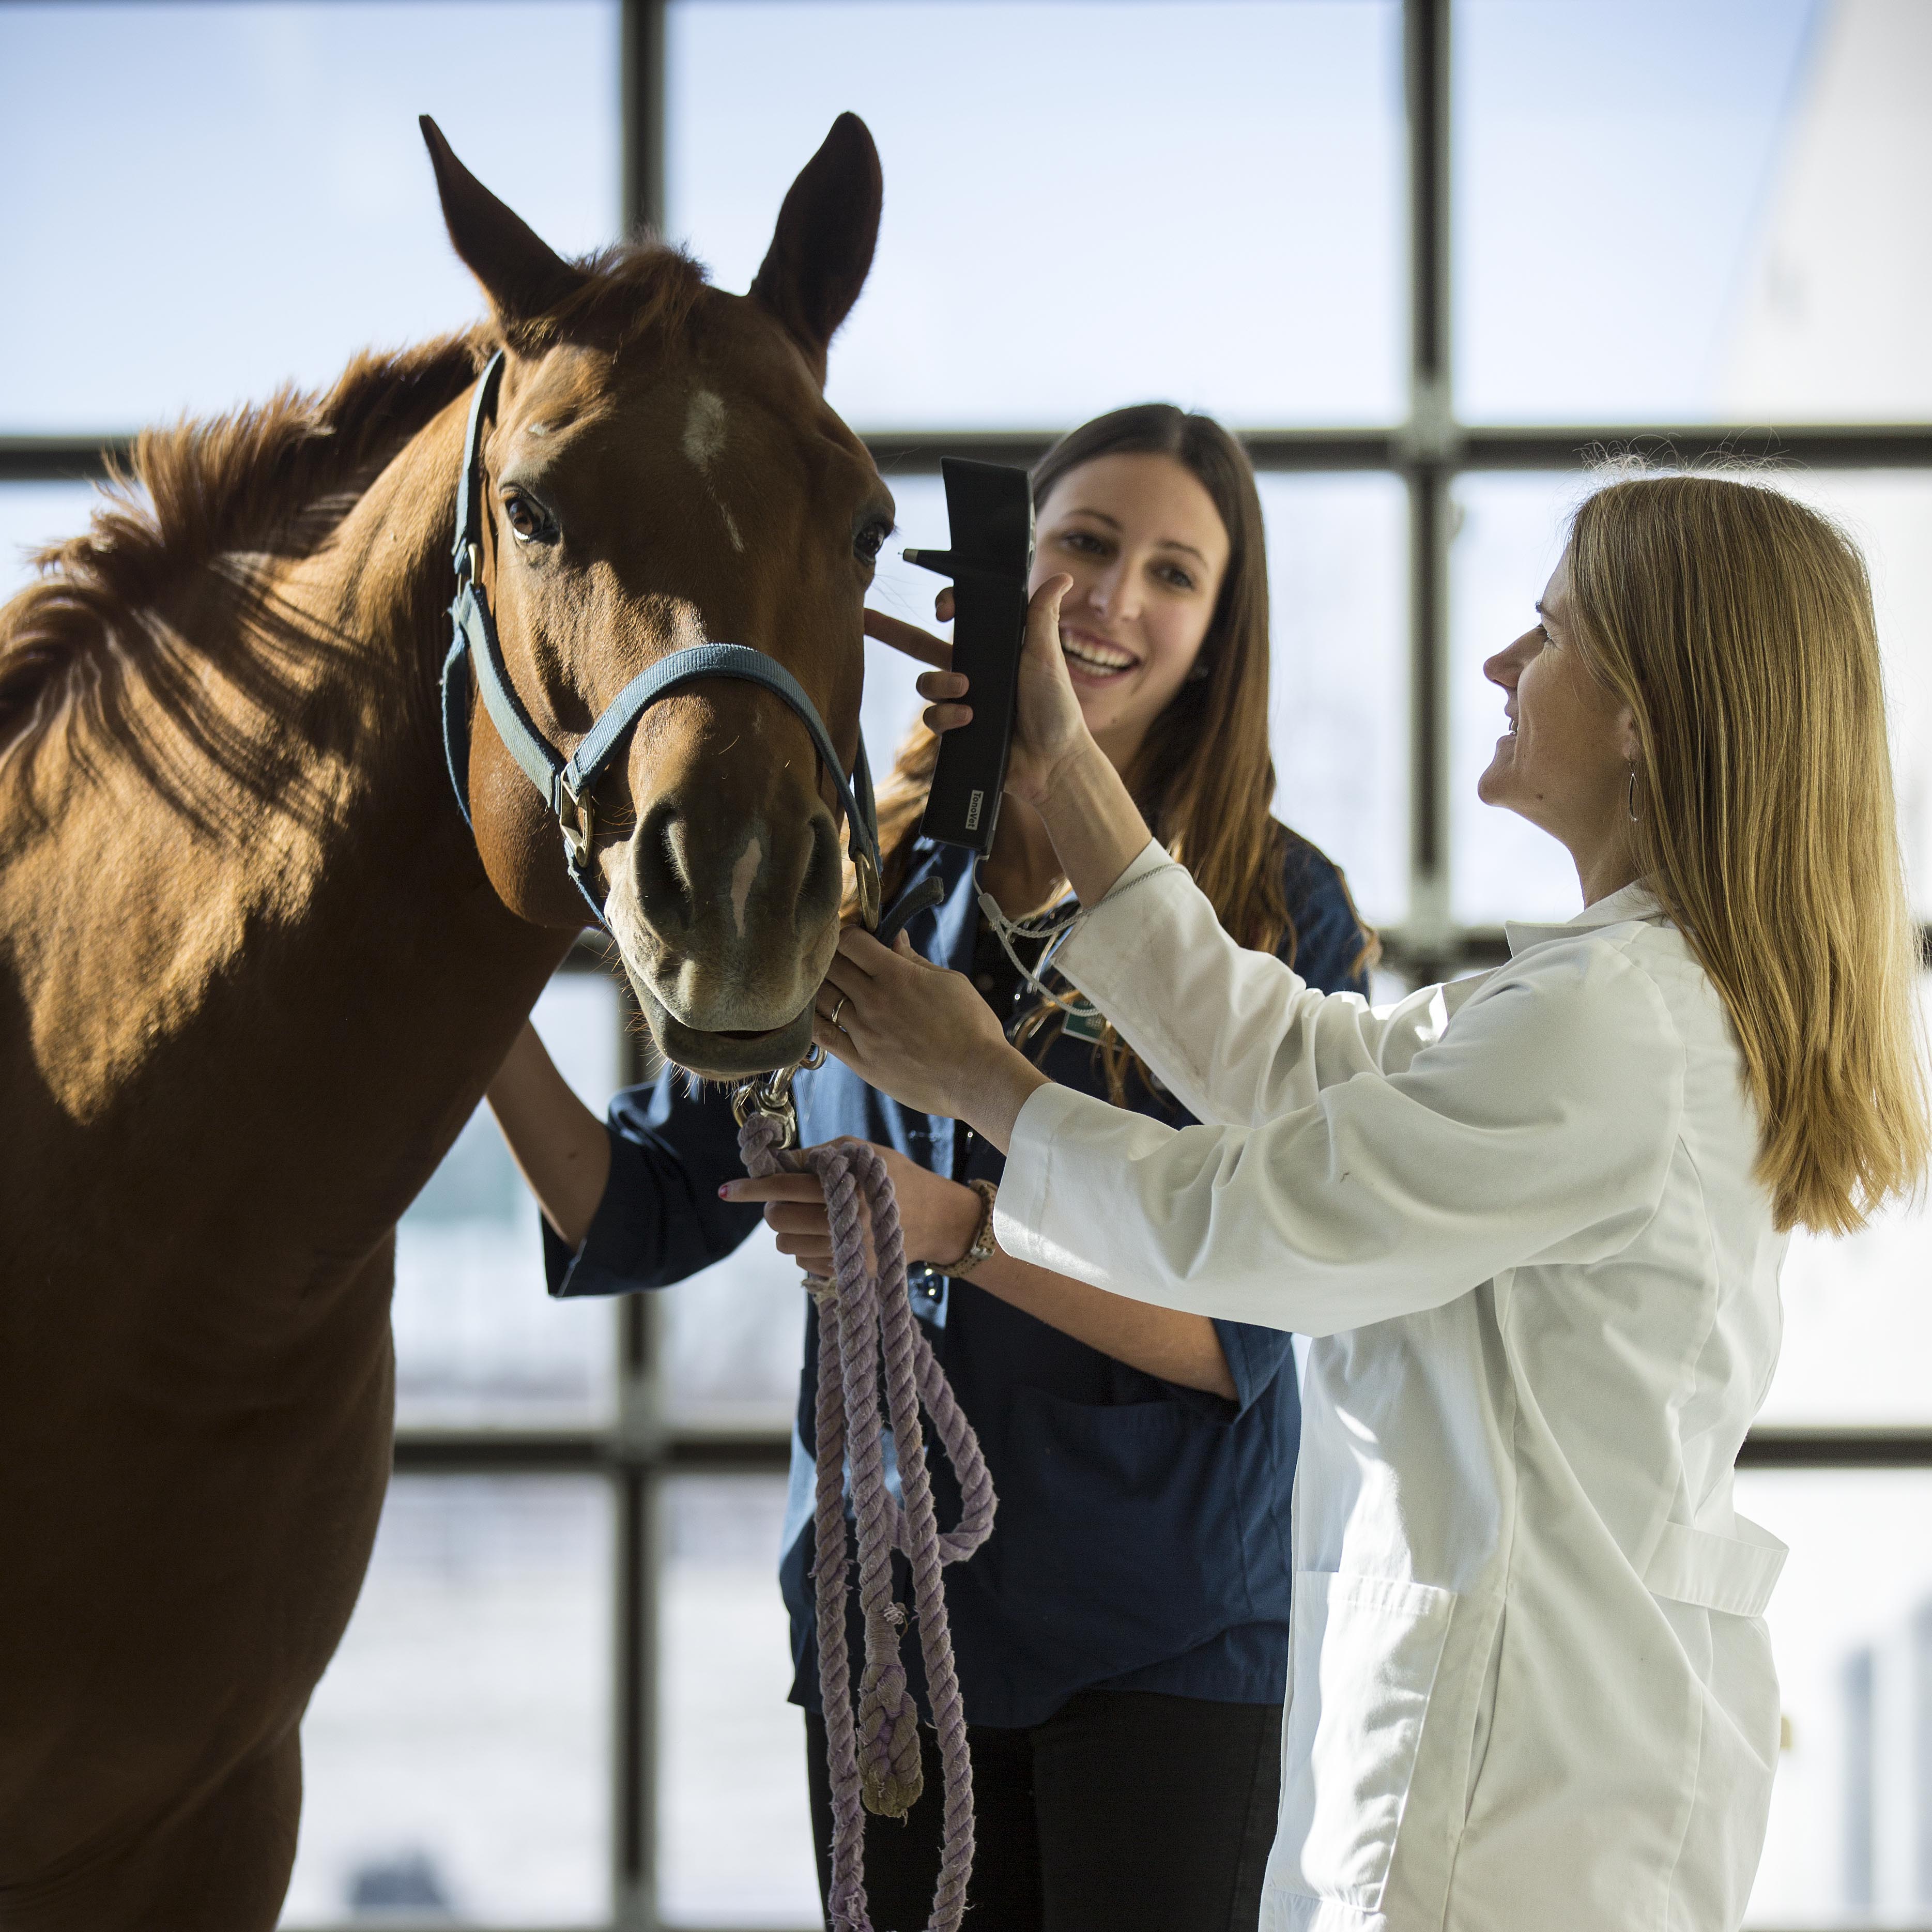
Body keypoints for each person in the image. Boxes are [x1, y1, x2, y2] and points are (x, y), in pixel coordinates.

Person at [806, 472, 1931, 1931]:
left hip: (1520, 1811)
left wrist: (985, 1087)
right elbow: (1293, 1065)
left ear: (1650, 706)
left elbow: (1263, 1224)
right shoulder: (1604, 999)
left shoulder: (1615, 1028)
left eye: (1548, 634)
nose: (1499, 667)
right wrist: (1056, 763)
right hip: (1528, 1777)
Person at [487, 405, 1375, 1931]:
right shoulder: (864, 884)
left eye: (1172, 572)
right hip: (890, 1633)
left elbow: (1255, 1324)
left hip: (1155, 1640)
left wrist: (955, 1231)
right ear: (1000, 576)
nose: (1111, 598)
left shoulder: (1273, 919)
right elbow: (633, 1207)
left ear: (1220, 633)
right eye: (1082, 545)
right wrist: (468, 999)